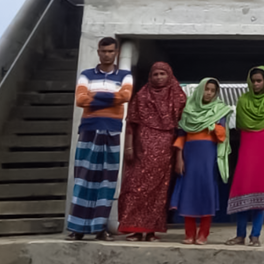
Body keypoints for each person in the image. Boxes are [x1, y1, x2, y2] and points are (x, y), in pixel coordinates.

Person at [66, 37, 133, 241]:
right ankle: (77, 228)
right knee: (83, 179)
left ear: (116, 53)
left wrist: (94, 98)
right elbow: (80, 99)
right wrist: (112, 98)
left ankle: (99, 228)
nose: (107, 55)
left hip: (112, 131)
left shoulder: (125, 75)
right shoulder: (86, 74)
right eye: (103, 51)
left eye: (111, 51)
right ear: (98, 52)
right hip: (89, 129)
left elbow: (126, 96)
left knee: (106, 181)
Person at [117, 62, 187, 241]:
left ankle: (150, 231)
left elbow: (185, 122)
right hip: (141, 148)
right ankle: (134, 229)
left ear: (169, 75)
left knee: (158, 191)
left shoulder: (178, 95)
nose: (159, 77)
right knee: (135, 187)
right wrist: (129, 146)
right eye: (155, 74)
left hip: (164, 149)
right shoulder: (141, 95)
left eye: (162, 74)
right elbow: (132, 123)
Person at [226, 66, 264, 247]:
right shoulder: (242, 101)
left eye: (259, 80)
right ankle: (240, 235)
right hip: (247, 150)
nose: (256, 84)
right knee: (243, 189)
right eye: (253, 80)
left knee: (261, 191)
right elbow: (240, 127)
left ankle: (255, 236)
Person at [169, 78, 233, 245]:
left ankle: (203, 234)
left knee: (207, 191)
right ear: (199, 91)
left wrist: (212, 126)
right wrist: (179, 158)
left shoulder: (219, 110)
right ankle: (189, 234)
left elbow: (222, 136)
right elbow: (181, 136)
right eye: (206, 89)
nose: (209, 93)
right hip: (189, 155)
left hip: (208, 156)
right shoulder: (188, 111)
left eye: (212, 90)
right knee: (188, 191)